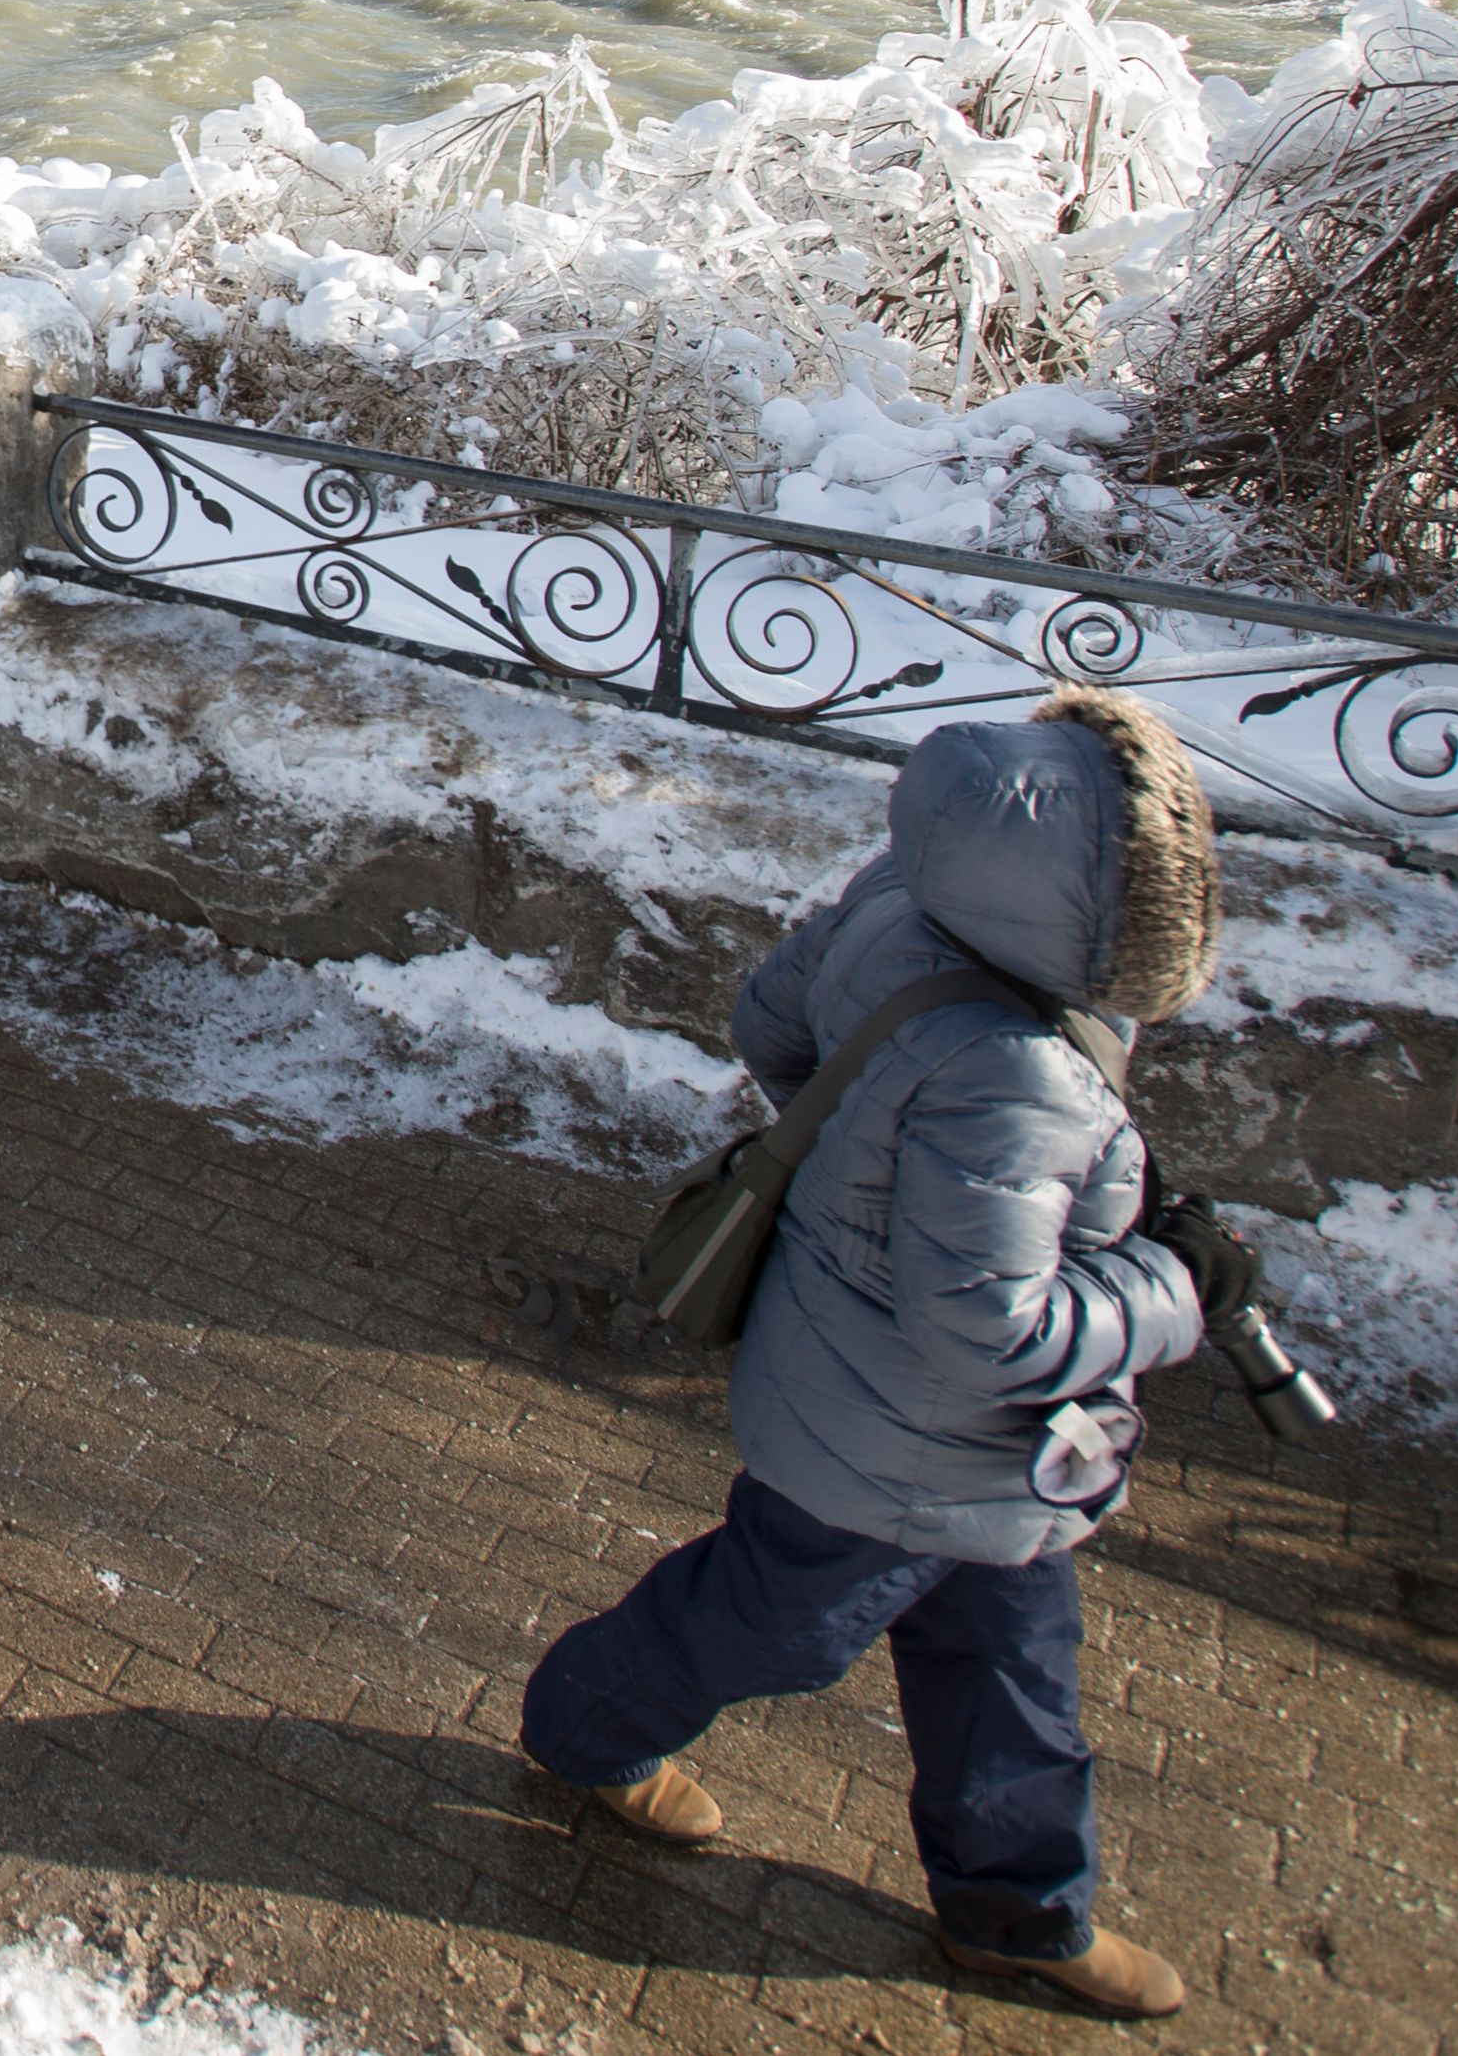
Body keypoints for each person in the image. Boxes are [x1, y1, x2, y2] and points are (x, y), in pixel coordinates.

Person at [519, 684, 1243, 2024]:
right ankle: (584, 1723)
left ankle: (1020, 1906)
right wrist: (1176, 1284)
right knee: (775, 1620)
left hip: (964, 1438)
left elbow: (772, 1020)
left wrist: (862, 1173)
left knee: (1016, 1663)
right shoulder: (1017, 1063)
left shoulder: (913, 900)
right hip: (893, 1430)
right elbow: (994, 1327)